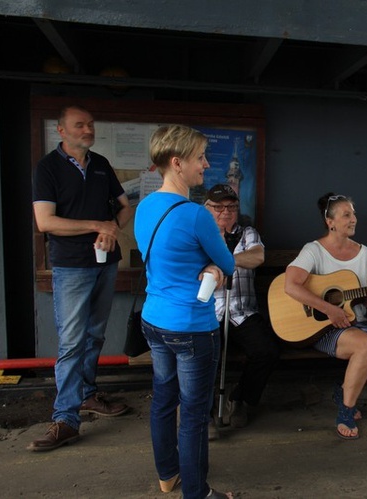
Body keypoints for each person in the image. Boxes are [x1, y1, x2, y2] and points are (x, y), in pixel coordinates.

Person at [134, 125, 234, 499]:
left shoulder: (146, 206)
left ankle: (168, 475)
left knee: (163, 400)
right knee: (192, 415)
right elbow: (227, 263)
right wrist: (213, 263)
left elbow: (162, 259)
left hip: (154, 321)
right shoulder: (195, 215)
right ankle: (197, 493)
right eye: (200, 158)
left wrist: (207, 265)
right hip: (192, 328)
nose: (206, 165)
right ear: (177, 163)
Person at [29, 105, 134, 452]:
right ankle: (65, 419)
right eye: (80, 125)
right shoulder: (47, 168)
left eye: (90, 124)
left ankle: (88, 395)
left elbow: (124, 205)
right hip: (71, 266)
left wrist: (112, 229)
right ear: (62, 130)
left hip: (105, 262)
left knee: (94, 334)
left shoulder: (101, 164)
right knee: (72, 341)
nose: (87, 129)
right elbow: (45, 222)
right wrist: (96, 225)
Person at [285, 193, 367, 439]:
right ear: (330, 222)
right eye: (346, 214)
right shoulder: (314, 250)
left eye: (353, 214)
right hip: (322, 325)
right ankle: (346, 411)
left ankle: (343, 391)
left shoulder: (363, 253)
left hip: (355, 321)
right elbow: (291, 286)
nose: (353, 219)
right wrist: (329, 309)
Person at [204, 183, 279, 435]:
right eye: (218, 207)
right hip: (208, 313)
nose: (225, 212)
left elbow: (257, 256)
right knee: (202, 356)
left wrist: (225, 262)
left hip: (242, 312)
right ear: (207, 208)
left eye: (231, 207)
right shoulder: (199, 234)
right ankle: (205, 411)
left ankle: (240, 398)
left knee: (266, 351)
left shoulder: (247, 233)